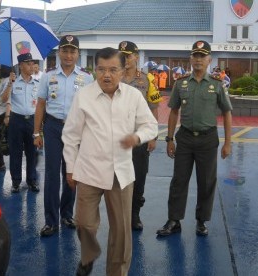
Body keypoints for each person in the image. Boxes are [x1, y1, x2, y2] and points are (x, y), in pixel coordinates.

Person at [62, 47, 157, 276]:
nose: (107, 75)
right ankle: (89, 254)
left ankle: (117, 272)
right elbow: (71, 135)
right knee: (84, 223)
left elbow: (150, 125)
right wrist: (70, 168)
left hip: (121, 172)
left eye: (113, 70)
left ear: (123, 72)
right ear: (95, 71)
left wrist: (137, 137)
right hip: (89, 170)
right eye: (102, 69)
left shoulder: (133, 96)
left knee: (122, 233)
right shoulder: (83, 96)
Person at [156, 40, 232, 237]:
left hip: (208, 140)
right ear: (190, 59)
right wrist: (170, 139)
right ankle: (174, 219)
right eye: (195, 56)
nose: (198, 60)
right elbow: (173, 112)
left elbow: (227, 112)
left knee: (206, 182)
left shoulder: (216, 85)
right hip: (185, 139)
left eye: (202, 56)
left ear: (209, 60)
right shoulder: (181, 83)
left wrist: (228, 143)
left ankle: (201, 220)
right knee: (179, 180)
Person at [33, 35, 94, 237]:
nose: (68, 55)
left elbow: (92, 108)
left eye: (72, 51)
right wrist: (36, 132)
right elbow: (41, 104)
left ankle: (67, 214)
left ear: (78, 54)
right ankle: (51, 221)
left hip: (76, 129)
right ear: (59, 53)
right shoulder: (47, 76)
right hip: (52, 127)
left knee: (72, 173)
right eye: (65, 51)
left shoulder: (87, 78)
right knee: (51, 175)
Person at [118, 41, 161, 231]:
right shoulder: (114, 77)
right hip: (117, 137)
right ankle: (120, 214)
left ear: (136, 56)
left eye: (128, 55)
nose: (125, 59)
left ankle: (134, 214)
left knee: (138, 176)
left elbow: (154, 109)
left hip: (139, 137)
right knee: (118, 177)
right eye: (122, 55)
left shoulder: (147, 80)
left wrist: (153, 136)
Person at [4, 52, 40, 193]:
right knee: (16, 152)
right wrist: (9, 84)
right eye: (28, 64)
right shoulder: (13, 82)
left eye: (32, 63)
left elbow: (41, 103)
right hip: (16, 121)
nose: (31, 66)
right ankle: (16, 182)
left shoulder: (38, 83)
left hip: (32, 120)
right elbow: (4, 99)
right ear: (20, 65)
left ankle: (32, 181)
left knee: (32, 152)